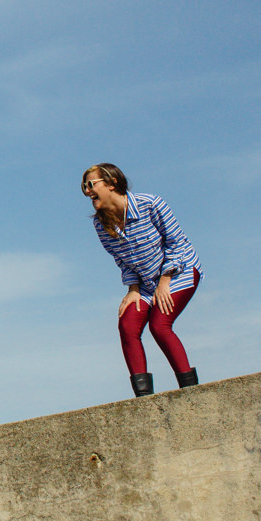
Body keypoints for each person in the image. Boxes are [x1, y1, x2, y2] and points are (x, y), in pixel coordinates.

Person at [82, 162, 200, 397]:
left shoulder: (151, 204)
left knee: (160, 325)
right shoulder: (100, 224)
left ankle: (190, 391)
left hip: (180, 271)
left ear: (112, 183)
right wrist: (133, 289)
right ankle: (143, 397)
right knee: (127, 324)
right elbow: (121, 260)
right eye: (84, 187)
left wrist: (165, 280)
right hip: (145, 284)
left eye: (91, 184)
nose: (87, 191)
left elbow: (176, 243)